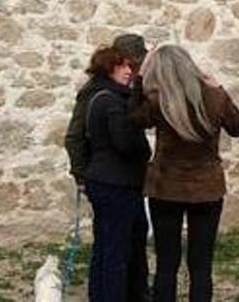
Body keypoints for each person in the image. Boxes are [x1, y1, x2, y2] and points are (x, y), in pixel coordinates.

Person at [130, 45, 239, 302]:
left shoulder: (159, 101)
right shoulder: (214, 97)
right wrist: (219, 88)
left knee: (166, 264)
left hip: (166, 187)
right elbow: (238, 128)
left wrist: (138, 80)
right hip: (207, 188)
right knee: (201, 264)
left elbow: (134, 118)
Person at [82, 46, 151, 302]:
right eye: (122, 66)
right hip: (117, 184)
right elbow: (124, 142)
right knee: (116, 252)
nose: (128, 71)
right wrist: (143, 151)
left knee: (106, 247)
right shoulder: (111, 101)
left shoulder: (100, 97)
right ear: (108, 68)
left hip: (107, 180)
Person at [67, 34, 148, 188]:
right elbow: (75, 135)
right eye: (127, 65)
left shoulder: (126, 89)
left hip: (127, 176)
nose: (132, 70)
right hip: (107, 177)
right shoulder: (95, 92)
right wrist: (81, 176)